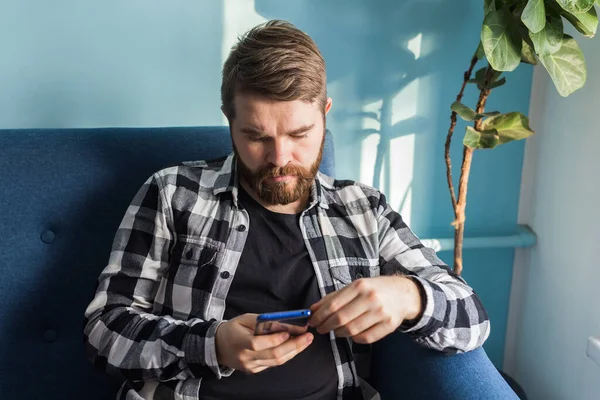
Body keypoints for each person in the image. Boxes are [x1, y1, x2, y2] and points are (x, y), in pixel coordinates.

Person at [84, 20, 490, 400]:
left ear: (325, 114)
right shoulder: (173, 193)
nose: (280, 158)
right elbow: (104, 331)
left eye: (299, 134)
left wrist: (409, 296)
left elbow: (473, 319)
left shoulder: (363, 209)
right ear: (229, 119)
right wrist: (214, 346)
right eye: (256, 136)